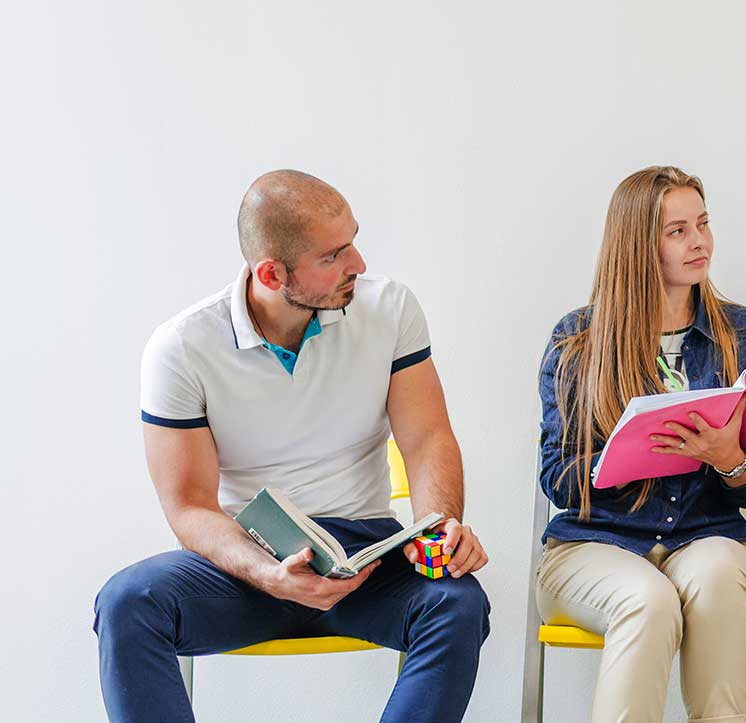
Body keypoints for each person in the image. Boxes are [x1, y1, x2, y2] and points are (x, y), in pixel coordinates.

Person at [95, 170, 491, 723]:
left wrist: (438, 530)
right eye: (333, 255)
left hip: (364, 559)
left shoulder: (390, 309)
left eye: (353, 240)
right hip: (247, 563)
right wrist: (267, 574)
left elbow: (426, 439)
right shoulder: (181, 348)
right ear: (271, 273)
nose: (358, 264)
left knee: (458, 603)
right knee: (126, 604)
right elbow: (188, 506)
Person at [534, 166, 746, 723]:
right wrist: (628, 456)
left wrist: (729, 460)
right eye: (678, 231)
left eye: (703, 224)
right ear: (638, 245)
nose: (699, 242)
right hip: (594, 544)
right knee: (648, 598)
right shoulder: (578, 340)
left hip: (708, 536)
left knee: (719, 574)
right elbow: (556, 479)